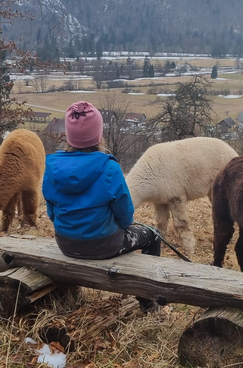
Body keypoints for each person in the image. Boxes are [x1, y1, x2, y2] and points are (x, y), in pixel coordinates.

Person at [42, 101, 162, 312]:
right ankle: (147, 300)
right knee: (153, 235)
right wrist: (119, 226)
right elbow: (125, 216)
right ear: (98, 134)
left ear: (69, 136)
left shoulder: (51, 167)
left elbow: (51, 212)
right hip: (105, 245)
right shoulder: (109, 167)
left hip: (66, 243)